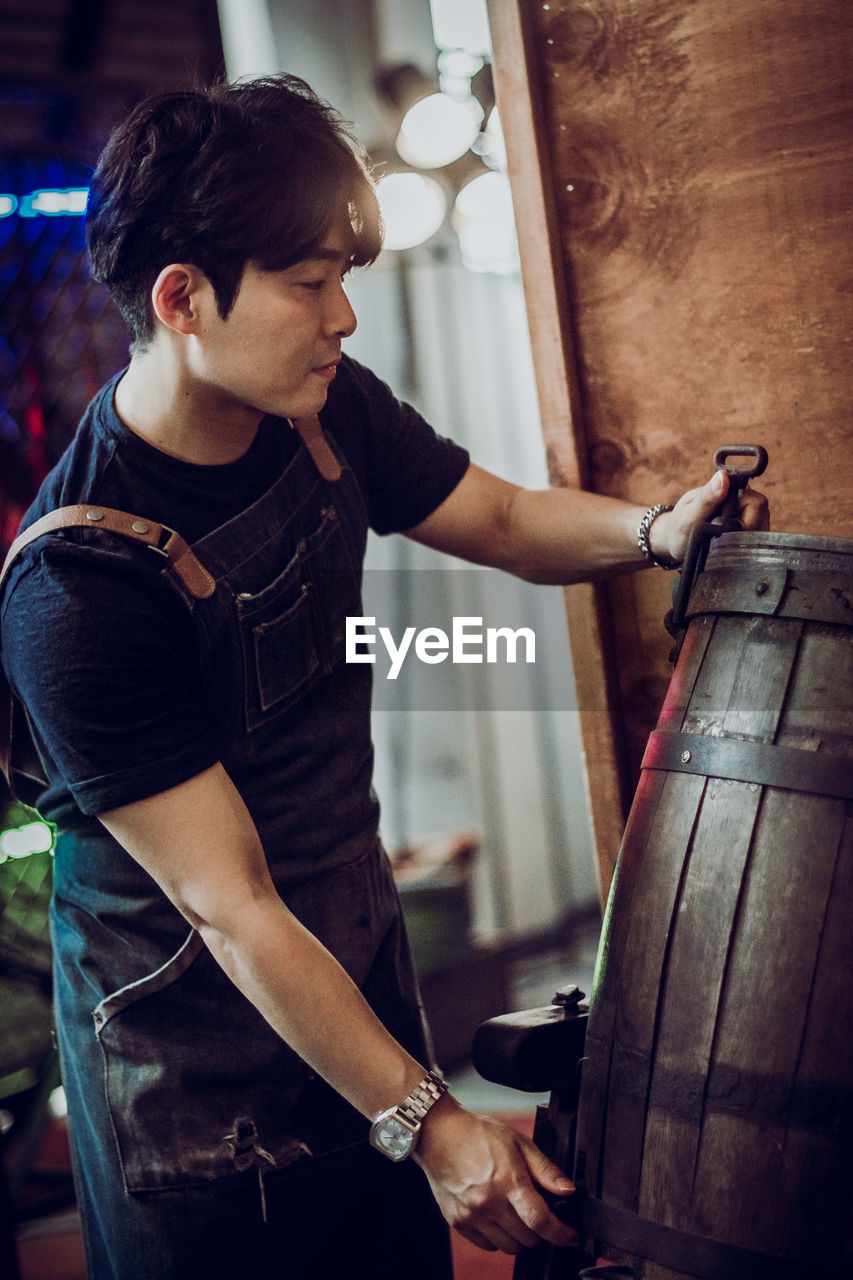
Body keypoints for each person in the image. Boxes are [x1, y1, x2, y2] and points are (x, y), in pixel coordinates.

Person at [0, 76, 768, 1280]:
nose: (343, 318)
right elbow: (230, 904)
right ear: (181, 298)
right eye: (310, 284)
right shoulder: (78, 585)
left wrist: (658, 530)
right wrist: (433, 1121)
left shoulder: (319, 410)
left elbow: (504, 517)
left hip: (356, 1003)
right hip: (197, 1088)